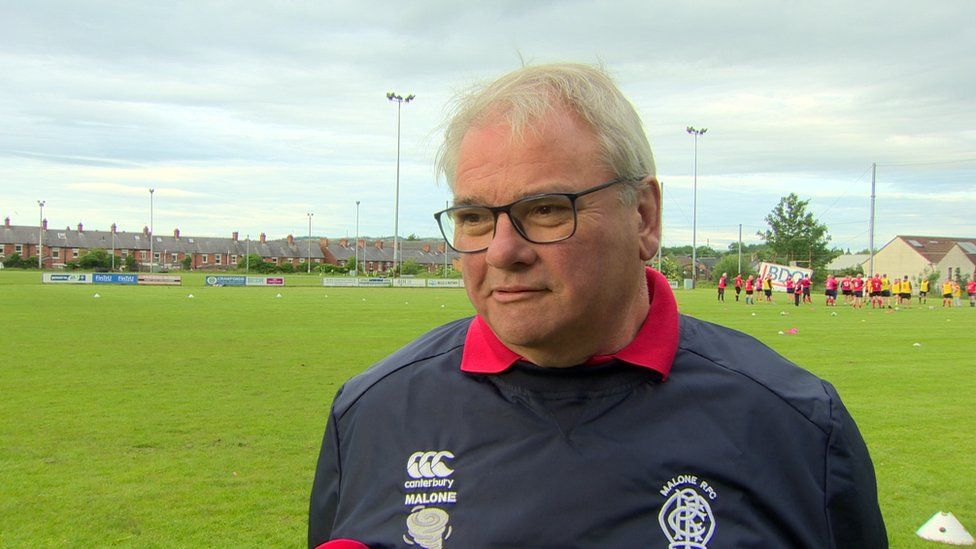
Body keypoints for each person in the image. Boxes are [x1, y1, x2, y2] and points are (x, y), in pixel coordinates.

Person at [308, 63, 886, 548]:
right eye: (474, 217)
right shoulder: (371, 413)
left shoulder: (795, 424)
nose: (503, 251)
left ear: (644, 217)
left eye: (547, 209)